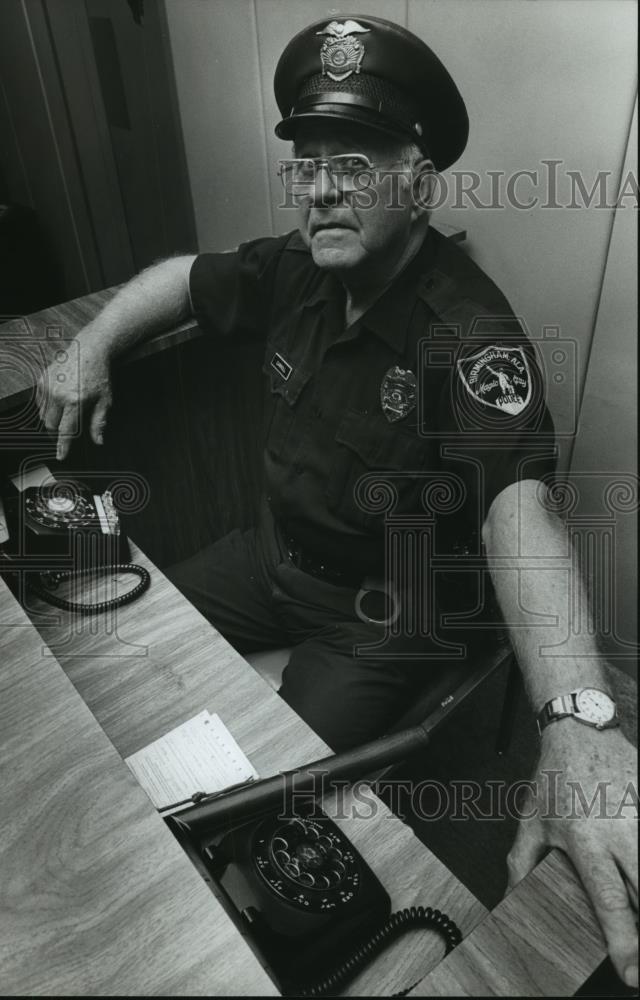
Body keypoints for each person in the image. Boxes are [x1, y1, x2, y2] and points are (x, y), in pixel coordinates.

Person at [37, 15, 637, 989]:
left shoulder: (467, 332)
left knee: (264, 812)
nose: (319, 188)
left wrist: (576, 716)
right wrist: (91, 343)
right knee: (122, 646)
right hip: (269, 558)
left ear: (417, 179)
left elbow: (515, 509)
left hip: (382, 613)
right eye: (306, 162)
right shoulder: (297, 270)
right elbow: (180, 282)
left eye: (351, 162)